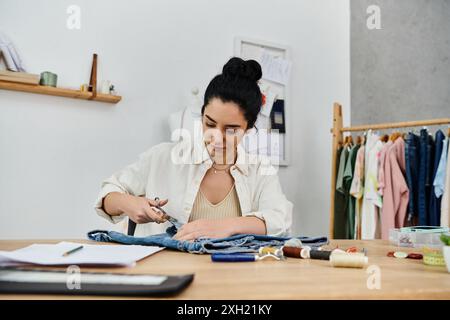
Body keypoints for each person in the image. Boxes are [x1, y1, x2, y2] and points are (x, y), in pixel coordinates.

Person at [94, 57, 292, 240]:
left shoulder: (260, 170)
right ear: (203, 113)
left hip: (232, 276)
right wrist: (127, 203)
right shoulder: (163, 157)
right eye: (210, 124)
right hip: (167, 274)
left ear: (248, 128)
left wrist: (227, 226)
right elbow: (107, 195)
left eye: (231, 130)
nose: (216, 137)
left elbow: (280, 220)